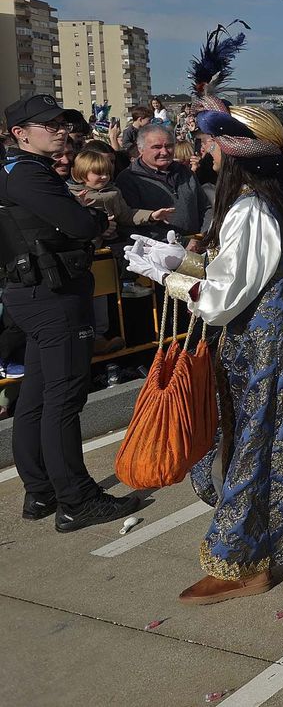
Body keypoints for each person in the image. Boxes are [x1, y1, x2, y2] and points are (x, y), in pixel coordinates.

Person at [123, 24, 283, 604]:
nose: (201, 150)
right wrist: (180, 259)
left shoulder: (251, 211)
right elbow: (232, 277)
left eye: (209, 143)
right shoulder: (247, 205)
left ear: (230, 152)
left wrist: (165, 273)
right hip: (276, 347)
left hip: (280, 351)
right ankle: (271, 555)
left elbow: (219, 300)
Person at [2, 95, 140, 532]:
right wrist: (95, 219)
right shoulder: (27, 175)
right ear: (21, 134)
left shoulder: (23, 172)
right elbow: (81, 226)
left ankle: (41, 490)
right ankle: (76, 499)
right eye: (49, 125)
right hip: (52, 295)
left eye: (63, 123)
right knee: (63, 399)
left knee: (38, 396)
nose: (61, 130)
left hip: (37, 294)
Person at [115, 122, 206, 243]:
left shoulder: (184, 172)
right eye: (157, 147)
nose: (164, 152)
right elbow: (129, 223)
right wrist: (179, 242)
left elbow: (205, 207)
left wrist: (205, 234)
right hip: (157, 253)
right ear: (140, 149)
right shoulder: (129, 179)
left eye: (169, 146)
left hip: (195, 246)